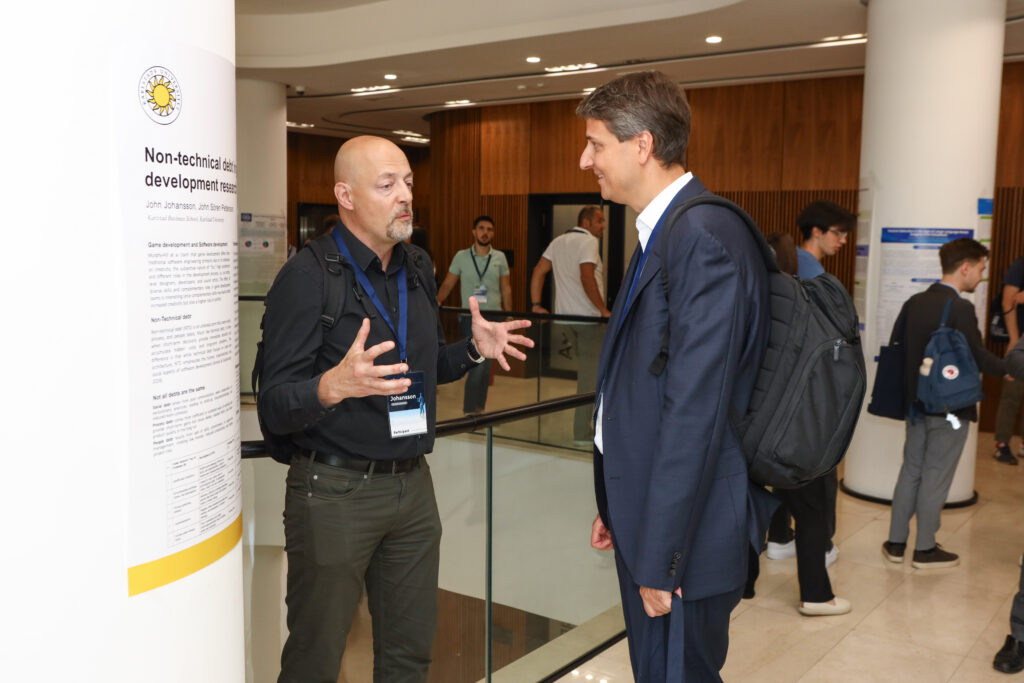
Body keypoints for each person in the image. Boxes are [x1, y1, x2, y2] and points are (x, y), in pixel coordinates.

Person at [258, 135, 533, 683]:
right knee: (316, 658)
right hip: (334, 493)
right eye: (387, 185)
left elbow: (419, 371)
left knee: (409, 657)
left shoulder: (417, 265)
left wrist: (474, 349)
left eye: (407, 182)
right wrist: (332, 386)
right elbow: (273, 406)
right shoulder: (308, 276)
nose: (405, 195)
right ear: (346, 196)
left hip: (413, 488)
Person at [580, 70, 775, 682]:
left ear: (642, 145)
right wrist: (618, 502)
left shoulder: (701, 235)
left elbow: (697, 410)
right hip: (652, 515)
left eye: (596, 144)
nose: (585, 160)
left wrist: (664, 553)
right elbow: (646, 383)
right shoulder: (665, 230)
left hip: (685, 537)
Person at [881, 238, 1006, 569]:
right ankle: (925, 550)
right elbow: (978, 357)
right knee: (935, 475)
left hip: (915, 406)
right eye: (980, 269)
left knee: (911, 471)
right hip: (949, 410)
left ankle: (895, 544)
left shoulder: (915, 302)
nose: (981, 276)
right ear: (965, 267)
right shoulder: (960, 308)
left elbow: (899, 353)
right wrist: (1010, 369)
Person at [529, 205, 611, 444]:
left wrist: (536, 304)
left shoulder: (558, 241)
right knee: (590, 379)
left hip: (564, 320)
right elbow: (586, 276)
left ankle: (586, 429)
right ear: (586, 223)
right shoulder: (589, 242)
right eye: (599, 221)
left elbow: (539, 271)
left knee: (586, 376)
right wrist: (603, 309)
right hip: (587, 320)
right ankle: (582, 434)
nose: (603, 226)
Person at [436, 216, 512, 414]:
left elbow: (506, 288)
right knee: (477, 365)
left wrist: (509, 314)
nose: (485, 232)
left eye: (489, 229)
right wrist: (436, 302)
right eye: (481, 228)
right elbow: (448, 283)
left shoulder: (499, 257)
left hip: (494, 316)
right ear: (474, 231)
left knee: (487, 368)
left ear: (493, 234)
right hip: (470, 318)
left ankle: (480, 409)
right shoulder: (461, 256)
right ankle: (469, 412)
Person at [993, 256, 1024, 465]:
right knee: (1012, 395)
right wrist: (1013, 339)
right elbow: (1008, 300)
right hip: (1020, 342)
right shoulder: (1021, 265)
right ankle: (1002, 444)